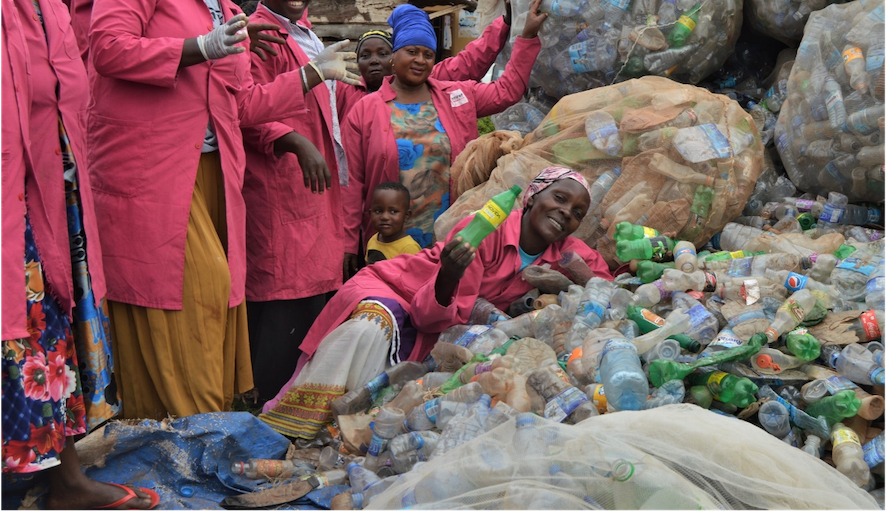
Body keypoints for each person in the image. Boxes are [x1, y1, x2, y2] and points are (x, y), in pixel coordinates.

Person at [86, 0, 358, 419]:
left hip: (212, 168)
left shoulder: (225, 8)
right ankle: (190, 422)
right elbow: (107, 48)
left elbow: (242, 106)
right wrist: (198, 46)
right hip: (153, 167)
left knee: (213, 296)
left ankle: (191, 420)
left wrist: (310, 74)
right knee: (196, 288)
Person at [259, 167, 612, 439]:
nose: (567, 213)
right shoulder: (485, 228)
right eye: (560, 199)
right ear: (532, 197)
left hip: (447, 324)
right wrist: (449, 275)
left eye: (578, 212)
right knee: (370, 331)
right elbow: (429, 317)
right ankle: (294, 426)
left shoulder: (566, 253)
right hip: (401, 291)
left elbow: (610, 286)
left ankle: (342, 434)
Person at [1, 0, 158, 509]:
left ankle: (62, 478)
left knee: (47, 321)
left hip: (49, 180)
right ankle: (60, 480)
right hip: (15, 191)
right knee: (24, 325)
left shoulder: (49, 7)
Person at [341, 1, 547, 280]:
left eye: (428, 54)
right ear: (394, 55)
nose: (420, 60)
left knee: (443, 299)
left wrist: (526, 37)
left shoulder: (456, 96)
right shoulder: (365, 110)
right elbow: (352, 183)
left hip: (450, 232)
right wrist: (347, 242)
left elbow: (507, 91)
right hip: (389, 238)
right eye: (411, 51)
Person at [242, 0, 361, 403]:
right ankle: (268, 403)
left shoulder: (303, 33)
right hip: (281, 183)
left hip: (313, 189)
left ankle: (295, 403)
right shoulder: (257, 32)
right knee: (282, 298)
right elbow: (243, 107)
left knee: (308, 298)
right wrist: (292, 140)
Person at [335, 1, 514, 123]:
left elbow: (468, 62)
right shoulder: (345, 93)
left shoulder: (424, 81)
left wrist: (504, 24)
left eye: (383, 53)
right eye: (365, 55)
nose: (374, 60)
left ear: (394, 57)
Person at [366, 182, 422, 264]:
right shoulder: (373, 240)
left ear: (406, 216)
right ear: (370, 214)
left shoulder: (409, 248)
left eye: (393, 211)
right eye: (378, 211)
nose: (385, 217)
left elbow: (414, 276)